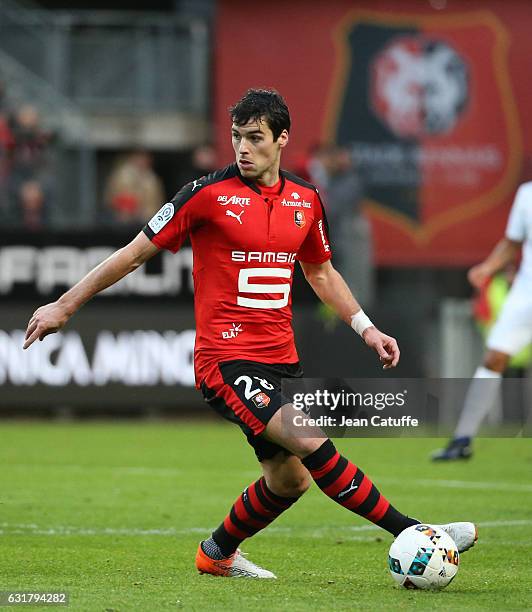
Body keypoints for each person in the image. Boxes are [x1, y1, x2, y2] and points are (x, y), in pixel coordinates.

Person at [23, 89, 477, 578]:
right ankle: (415, 532)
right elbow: (133, 254)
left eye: (255, 138)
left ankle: (216, 554)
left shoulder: (306, 201)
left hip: (280, 360)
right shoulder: (205, 196)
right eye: (237, 136)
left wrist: (366, 329)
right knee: (309, 437)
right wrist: (64, 306)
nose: (242, 147)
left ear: (282, 139)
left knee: (289, 481)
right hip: (225, 361)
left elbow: (321, 273)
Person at [432, 182, 532, 461]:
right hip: (526, 295)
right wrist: (487, 268)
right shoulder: (526, 194)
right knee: (493, 359)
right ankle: (462, 439)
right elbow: (512, 244)